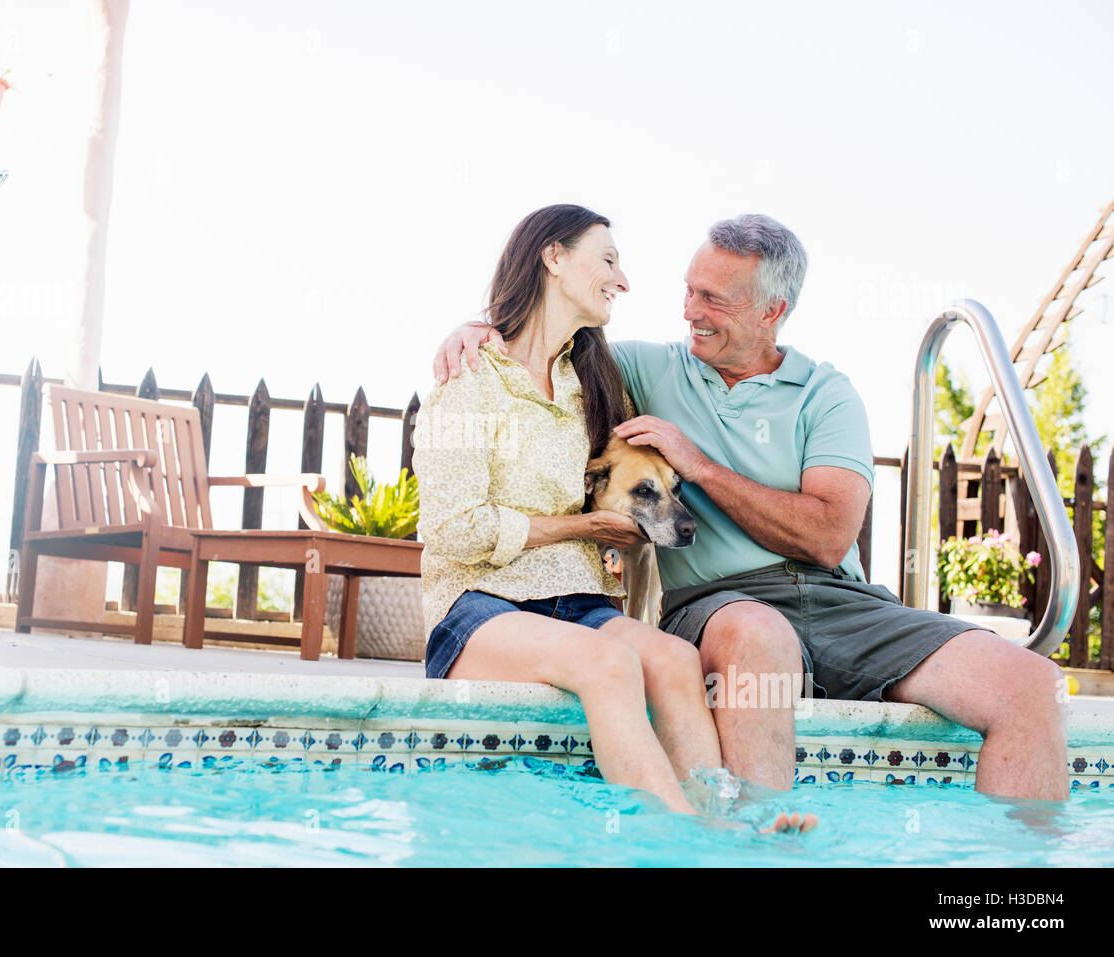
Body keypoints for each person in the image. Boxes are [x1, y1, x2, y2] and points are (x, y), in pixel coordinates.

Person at [434, 213, 1068, 803]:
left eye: (715, 300)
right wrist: (479, 328)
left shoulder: (827, 395)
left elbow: (826, 536)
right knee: (758, 634)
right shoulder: (638, 368)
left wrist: (700, 465)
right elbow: (543, 342)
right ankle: (758, 848)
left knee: (1032, 688)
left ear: (773, 310)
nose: (692, 312)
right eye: (689, 291)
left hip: (843, 602)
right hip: (723, 606)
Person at [414, 203, 816, 830]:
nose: (623, 280)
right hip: (478, 603)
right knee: (609, 663)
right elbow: (450, 531)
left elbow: (633, 490)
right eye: (607, 259)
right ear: (552, 257)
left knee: (675, 661)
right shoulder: (470, 378)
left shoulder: (597, 385)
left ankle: (727, 823)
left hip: (579, 601)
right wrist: (582, 529)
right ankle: (690, 837)